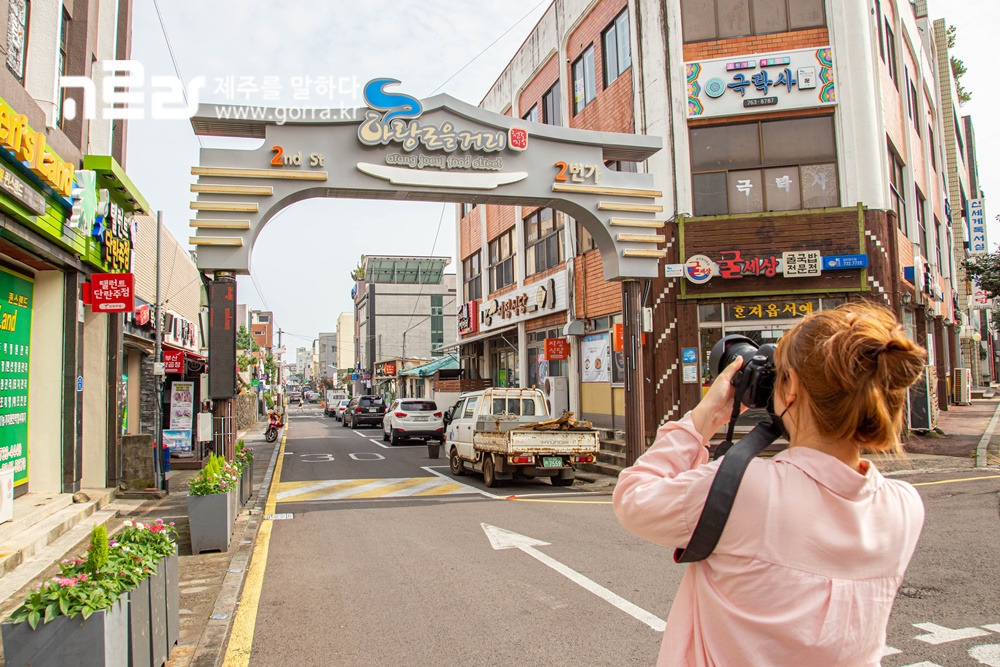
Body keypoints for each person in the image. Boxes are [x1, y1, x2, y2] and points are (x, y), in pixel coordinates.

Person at [613, 302, 927, 666]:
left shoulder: (743, 488)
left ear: (790, 386)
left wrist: (704, 417)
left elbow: (633, 498)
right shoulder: (904, 506)